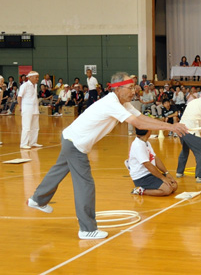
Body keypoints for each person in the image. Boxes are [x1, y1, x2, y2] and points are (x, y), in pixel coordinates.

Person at [27, 72, 188, 240]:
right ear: (118, 89)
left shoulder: (123, 103)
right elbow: (138, 124)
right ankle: (87, 229)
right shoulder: (112, 103)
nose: (134, 91)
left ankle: (37, 200)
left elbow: (142, 117)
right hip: (76, 144)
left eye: (134, 87)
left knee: (59, 171)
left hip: (70, 138)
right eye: (130, 87)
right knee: (85, 184)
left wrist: (172, 126)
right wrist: (171, 128)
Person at [125, 128, 178, 196]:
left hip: (151, 174)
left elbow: (155, 158)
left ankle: (154, 186)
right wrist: (163, 178)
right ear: (149, 131)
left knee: (174, 185)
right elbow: (148, 165)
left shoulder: (146, 142)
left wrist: (166, 173)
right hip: (142, 177)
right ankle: (140, 190)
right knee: (167, 190)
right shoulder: (138, 145)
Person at [18, 71, 42, 149]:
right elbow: (19, 96)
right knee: (26, 127)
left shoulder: (35, 85)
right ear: (30, 77)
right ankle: (23, 143)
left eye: (38, 77)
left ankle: (33, 142)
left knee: (35, 127)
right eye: (36, 77)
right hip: (27, 108)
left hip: (35, 108)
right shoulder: (25, 85)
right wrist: (20, 106)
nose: (37, 79)